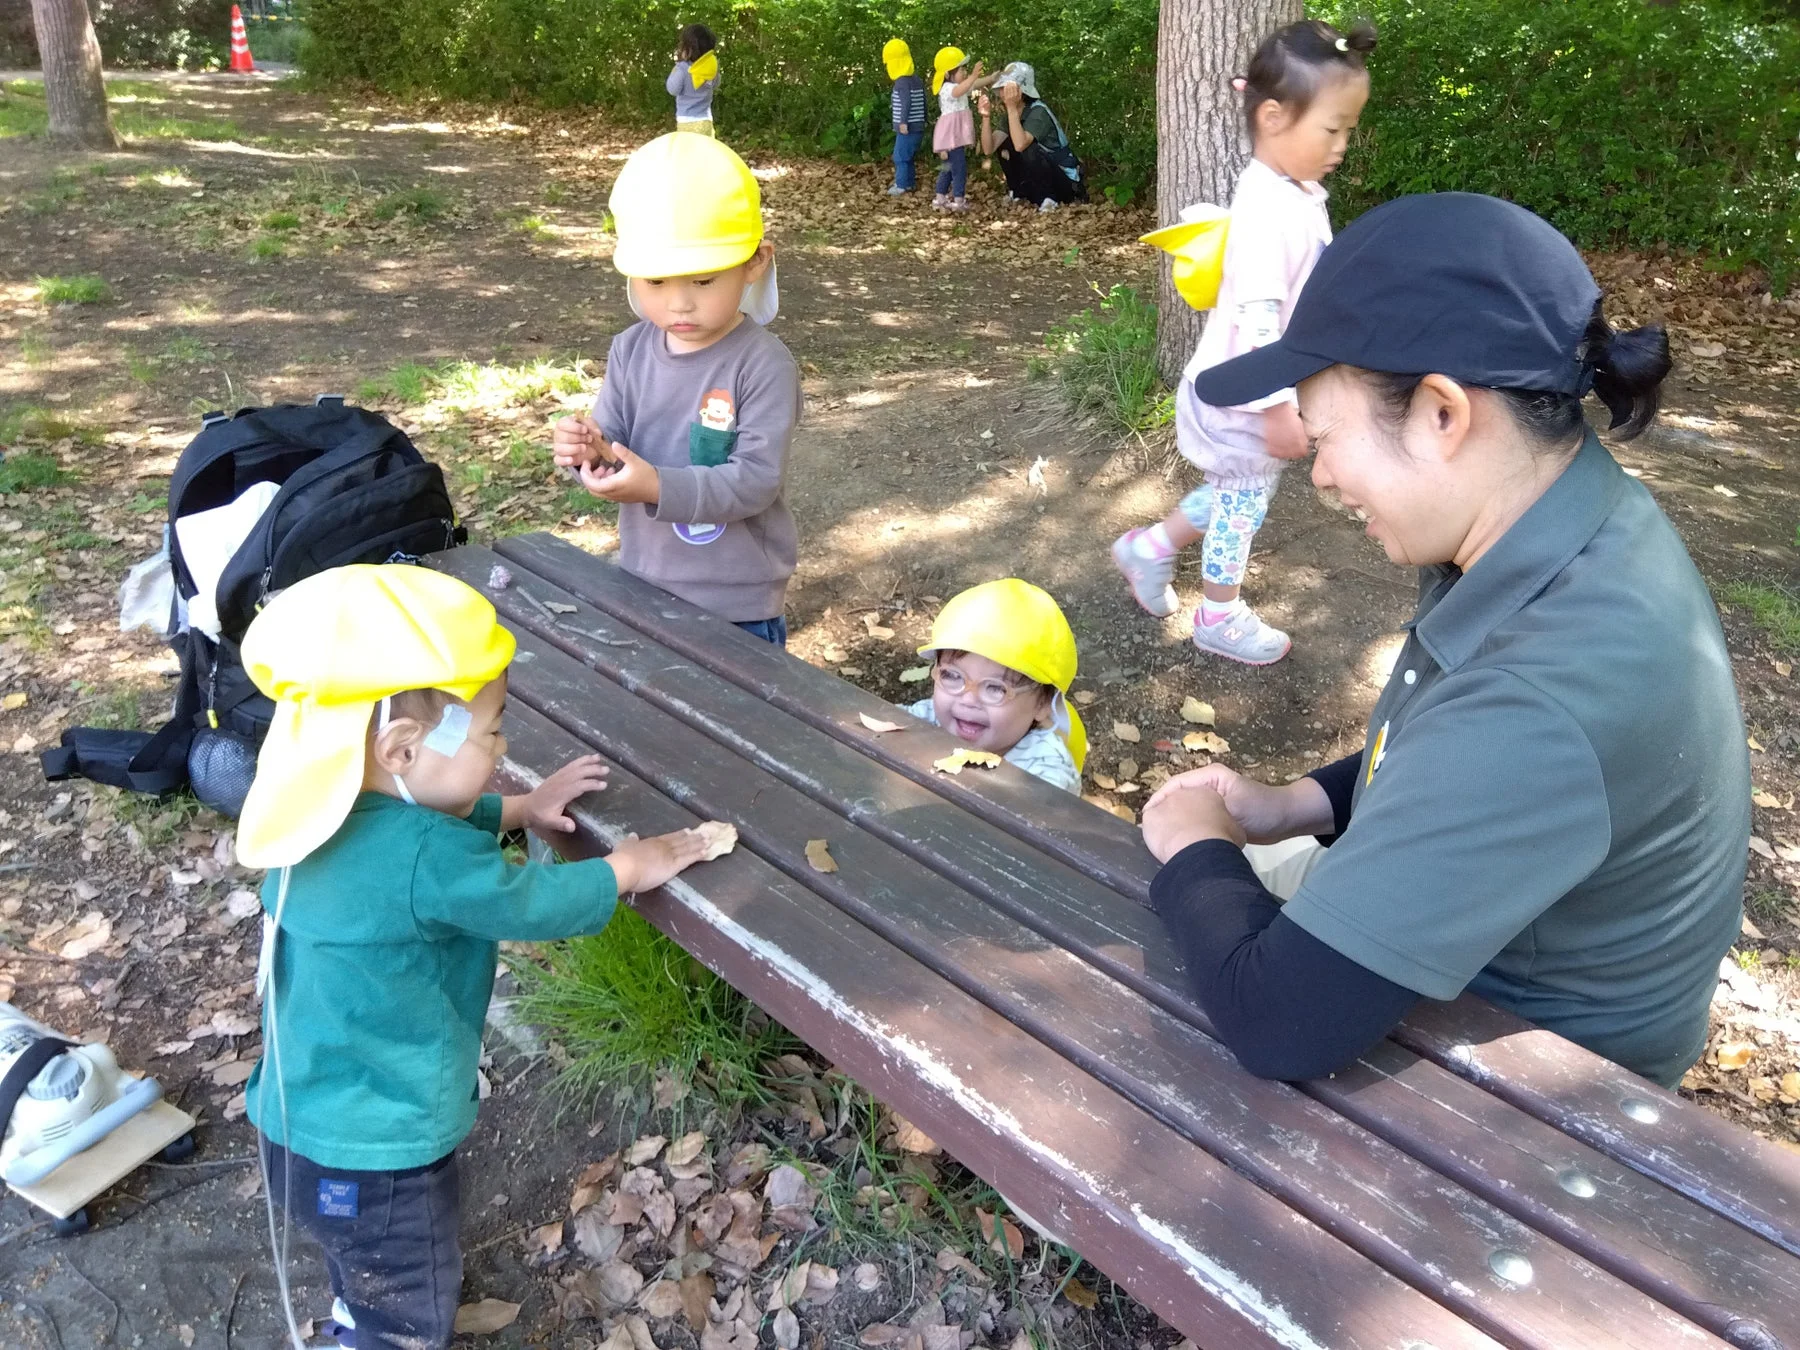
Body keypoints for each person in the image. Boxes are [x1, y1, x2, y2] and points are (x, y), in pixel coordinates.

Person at [1138, 192, 1750, 1089]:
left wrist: (1199, 845)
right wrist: (1297, 803)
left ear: (1440, 414)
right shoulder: (1570, 517)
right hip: (1492, 960)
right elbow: (1453, 751)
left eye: (1323, 434)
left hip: (1542, 1086)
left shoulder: (1547, 691)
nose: (1323, 476)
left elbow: (1278, 1025)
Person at [236, 565, 722, 1348]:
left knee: (362, 1260)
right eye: (493, 731)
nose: (501, 745)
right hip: (378, 1146)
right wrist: (627, 866)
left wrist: (520, 806)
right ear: (400, 746)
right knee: (403, 1293)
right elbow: (522, 900)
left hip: (303, 1121)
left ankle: (358, 1317)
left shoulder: (316, 809)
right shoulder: (427, 857)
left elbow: (422, 839)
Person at [1113, 20, 1375, 665]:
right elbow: (1261, 324)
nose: (1342, 144)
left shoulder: (1292, 190)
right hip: (1243, 395)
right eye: (1332, 129)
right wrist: (1278, 407)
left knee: (1238, 492)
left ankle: (1149, 549)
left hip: (1239, 390)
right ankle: (1218, 614)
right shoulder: (1271, 210)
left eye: (1348, 129)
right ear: (1274, 115)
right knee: (1242, 506)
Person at [553, 134, 802, 647]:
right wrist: (586, 452)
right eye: (656, 282)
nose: (680, 304)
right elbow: (613, 445)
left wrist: (658, 488)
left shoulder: (762, 363)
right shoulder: (630, 348)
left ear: (755, 262)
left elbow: (755, 481)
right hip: (643, 582)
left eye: (705, 281)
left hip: (737, 602)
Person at [900, 579, 1086, 793]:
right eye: (953, 675)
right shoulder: (928, 716)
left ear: (1043, 703)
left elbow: (1036, 819)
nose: (968, 700)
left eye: (996, 688)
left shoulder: (1044, 774)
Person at [974, 62, 1085, 211]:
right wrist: (986, 118)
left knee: (1027, 146)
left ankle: (1049, 199)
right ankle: (1018, 193)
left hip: (1064, 182)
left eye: (1007, 88)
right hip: (1036, 180)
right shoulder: (1010, 115)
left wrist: (1011, 107)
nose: (1002, 92)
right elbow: (989, 148)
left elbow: (1021, 144)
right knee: (1006, 144)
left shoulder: (1038, 112)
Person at [930, 48, 981, 212]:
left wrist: (991, 78)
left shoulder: (960, 86)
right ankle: (958, 199)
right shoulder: (947, 89)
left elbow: (973, 85)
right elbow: (960, 90)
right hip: (950, 138)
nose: (965, 73)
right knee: (959, 167)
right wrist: (973, 76)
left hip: (952, 137)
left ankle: (940, 197)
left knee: (949, 167)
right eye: (961, 70)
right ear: (947, 74)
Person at [885, 38, 927, 196]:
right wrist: (924, 119)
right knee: (907, 156)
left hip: (907, 128)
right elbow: (923, 99)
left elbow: (906, 102)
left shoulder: (901, 82)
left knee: (900, 156)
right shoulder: (916, 80)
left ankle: (901, 185)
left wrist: (903, 122)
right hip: (917, 126)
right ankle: (909, 183)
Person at [667, 24, 719, 136]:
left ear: (687, 48)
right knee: (704, 151)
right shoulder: (711, 68)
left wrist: (676, 68)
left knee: (688, 152)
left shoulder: (682, 69)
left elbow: (672, 89)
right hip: (706, 121)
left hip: (686, 122)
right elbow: (715, 83)